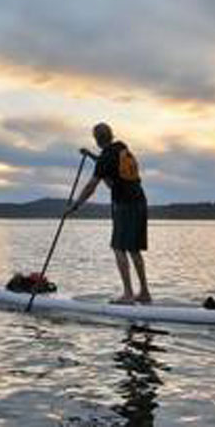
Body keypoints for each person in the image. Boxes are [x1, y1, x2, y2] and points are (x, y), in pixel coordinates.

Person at [69, 122, 151, 304]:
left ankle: (128, 294)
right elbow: (107, 166)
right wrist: (91, 156)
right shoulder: (121, 148)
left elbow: (92, 186)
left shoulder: (106, 158)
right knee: (134, 249)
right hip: (140, 202)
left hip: (125, 205)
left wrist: (75, 205)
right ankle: (144, 292)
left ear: (97, 140)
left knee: (119, 247)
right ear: (111, 135)